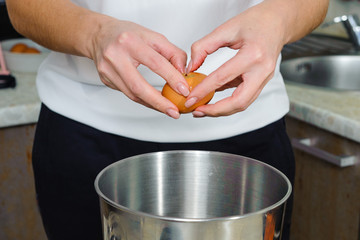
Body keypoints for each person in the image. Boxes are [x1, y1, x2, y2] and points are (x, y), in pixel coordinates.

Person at [6, 0, 329, 239]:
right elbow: (23, 8)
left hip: (246, 150)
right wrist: (95, 35)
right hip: (85, 138)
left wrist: (277, 18)